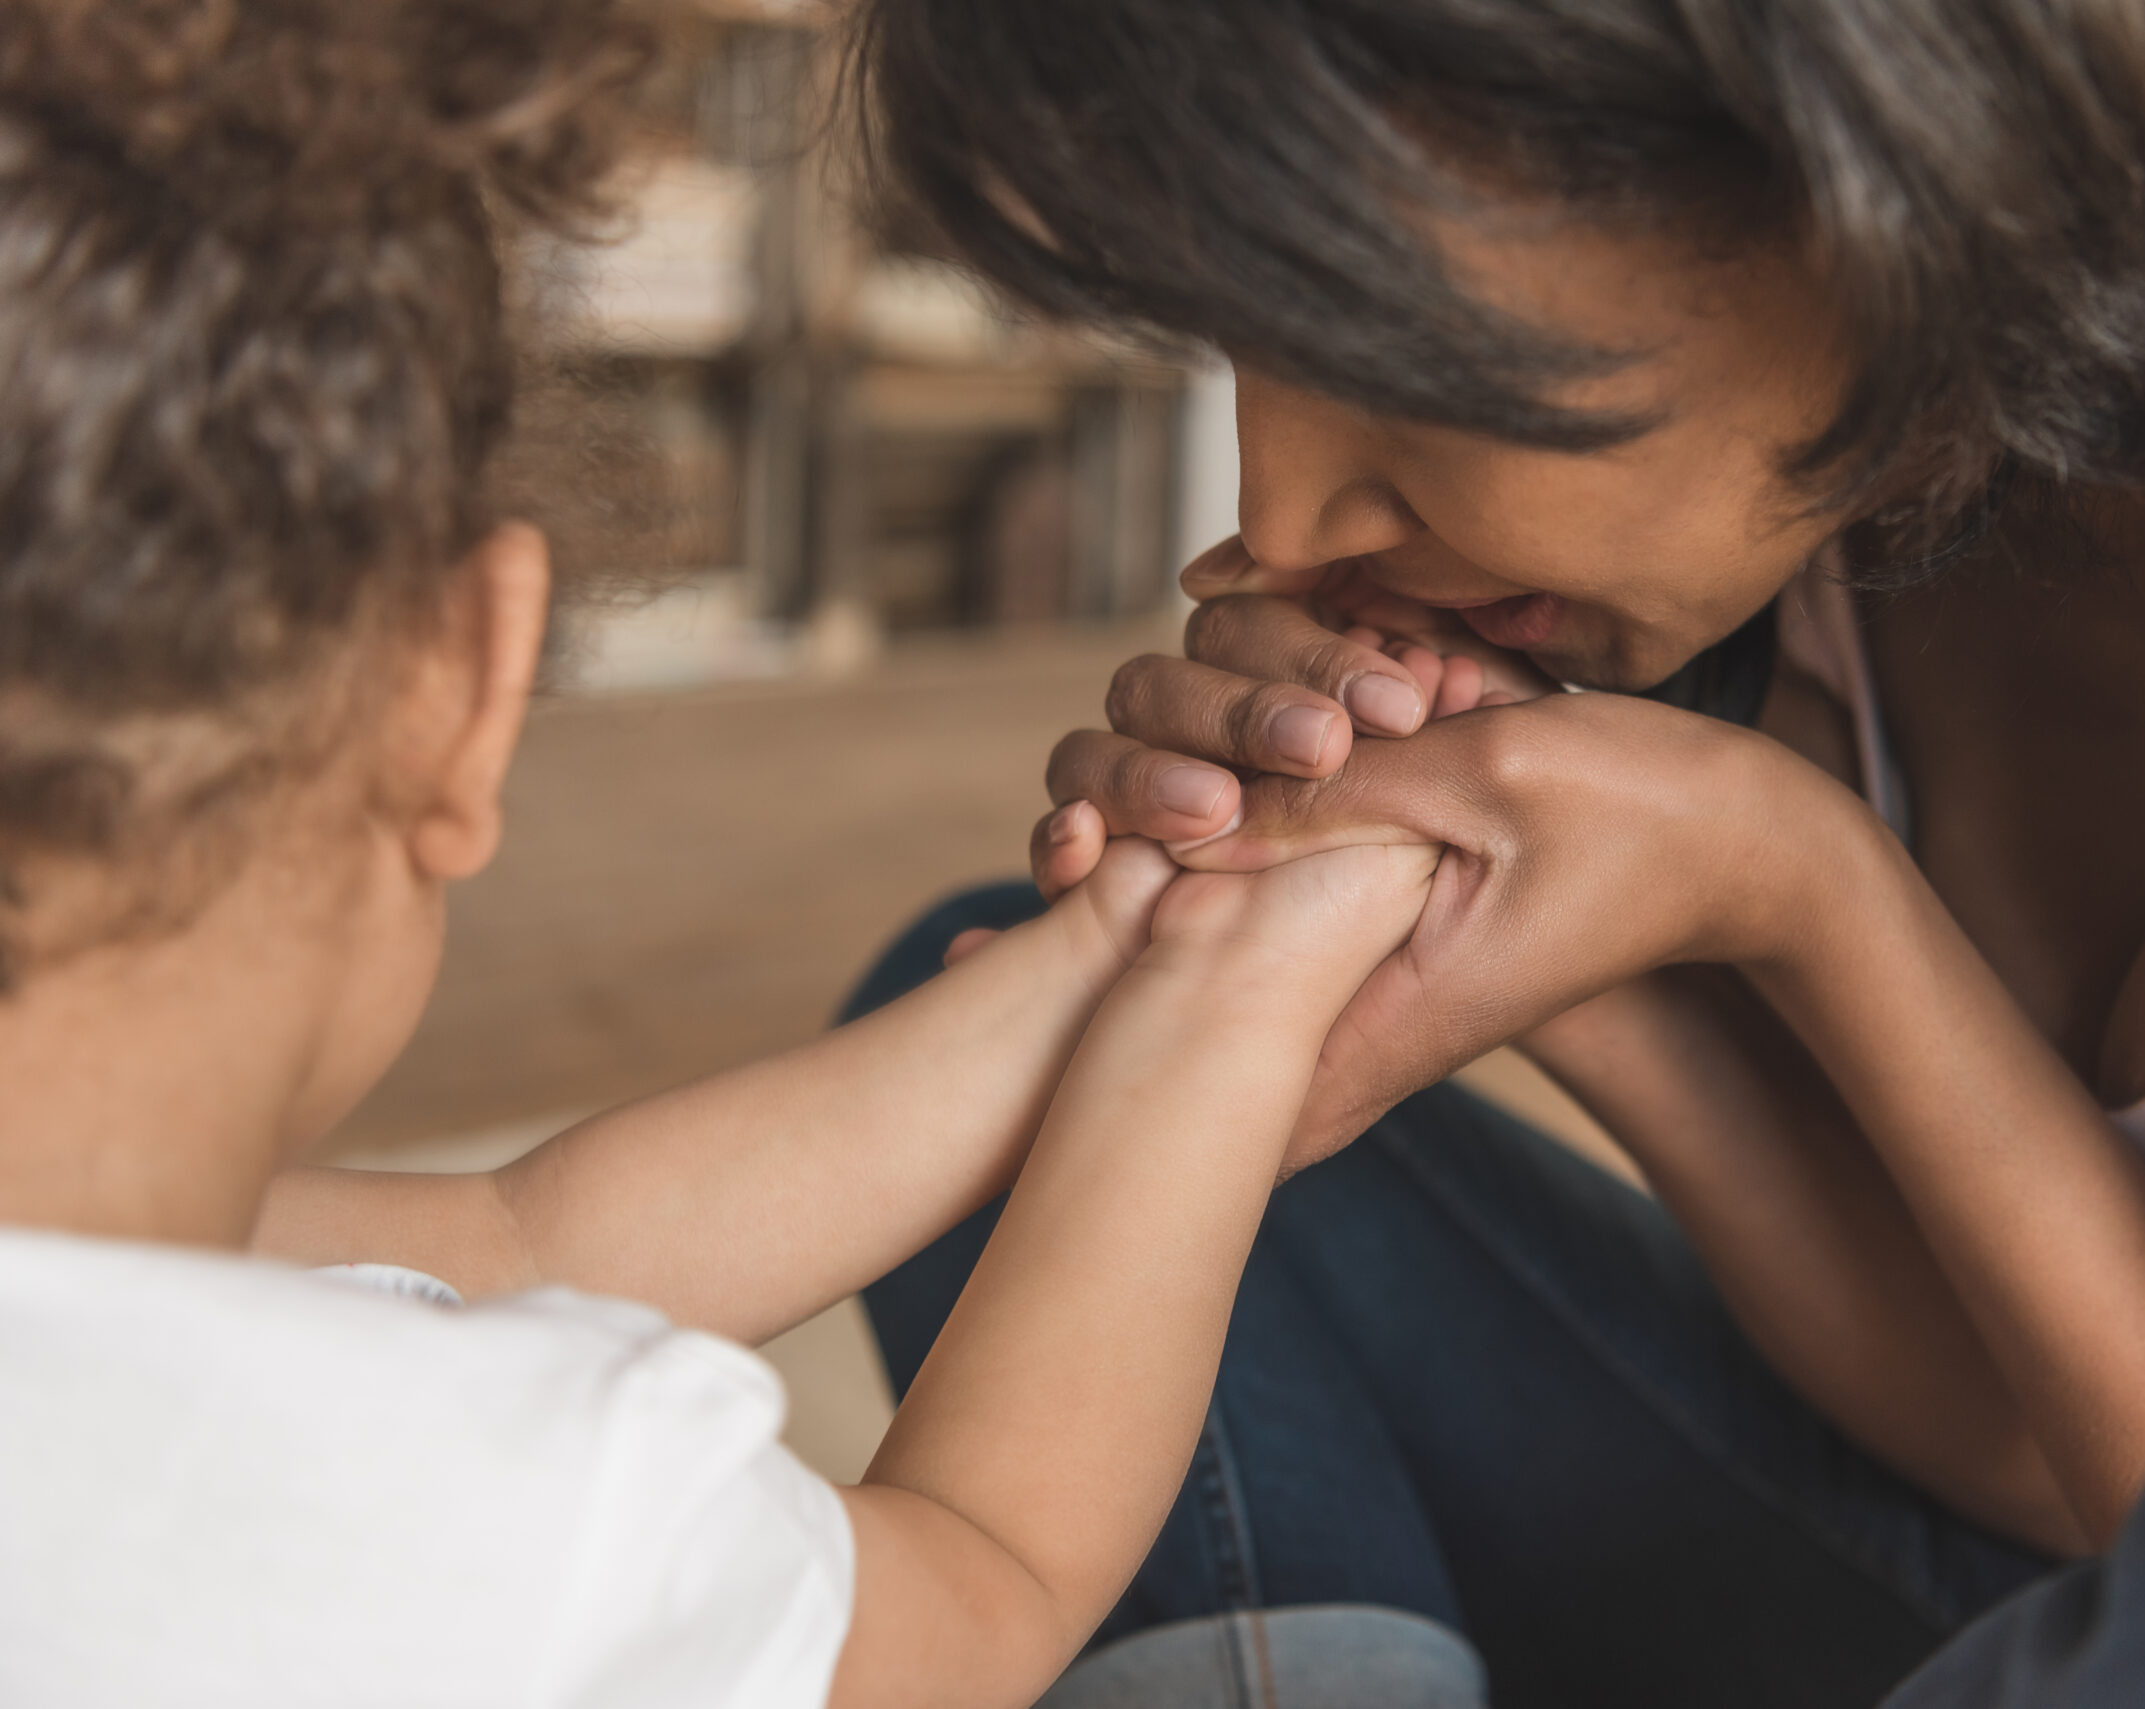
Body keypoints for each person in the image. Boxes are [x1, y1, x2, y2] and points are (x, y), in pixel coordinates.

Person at [848, 0, 2145, 1701]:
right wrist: (1518, 909)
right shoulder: (1842, 485)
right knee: (1022, 1070)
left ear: (1860, 137)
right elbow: (2029, 1448)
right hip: (2049, 1576)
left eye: (1387, 345)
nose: (1283, 516)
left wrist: (1801, 882)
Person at [0, 6, 1459, 1707]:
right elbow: (984, 1571)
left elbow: (525, 1236)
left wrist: (1109, 942)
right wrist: (1236, 1006)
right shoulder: (525, 1515)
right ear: (456, 681)